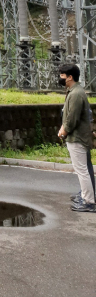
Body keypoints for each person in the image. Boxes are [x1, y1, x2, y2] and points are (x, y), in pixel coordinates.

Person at [58, 62, 95, 213]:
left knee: (82, 171)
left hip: (77, 138)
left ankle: (89, 201)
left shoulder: (76, 94)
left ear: (70, 77)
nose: (60, 78)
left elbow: (72, 119)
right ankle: (88, 195)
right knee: (85, 169)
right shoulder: (76, 91)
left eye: (62, 76)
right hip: (81, 136)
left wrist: (63, 132)